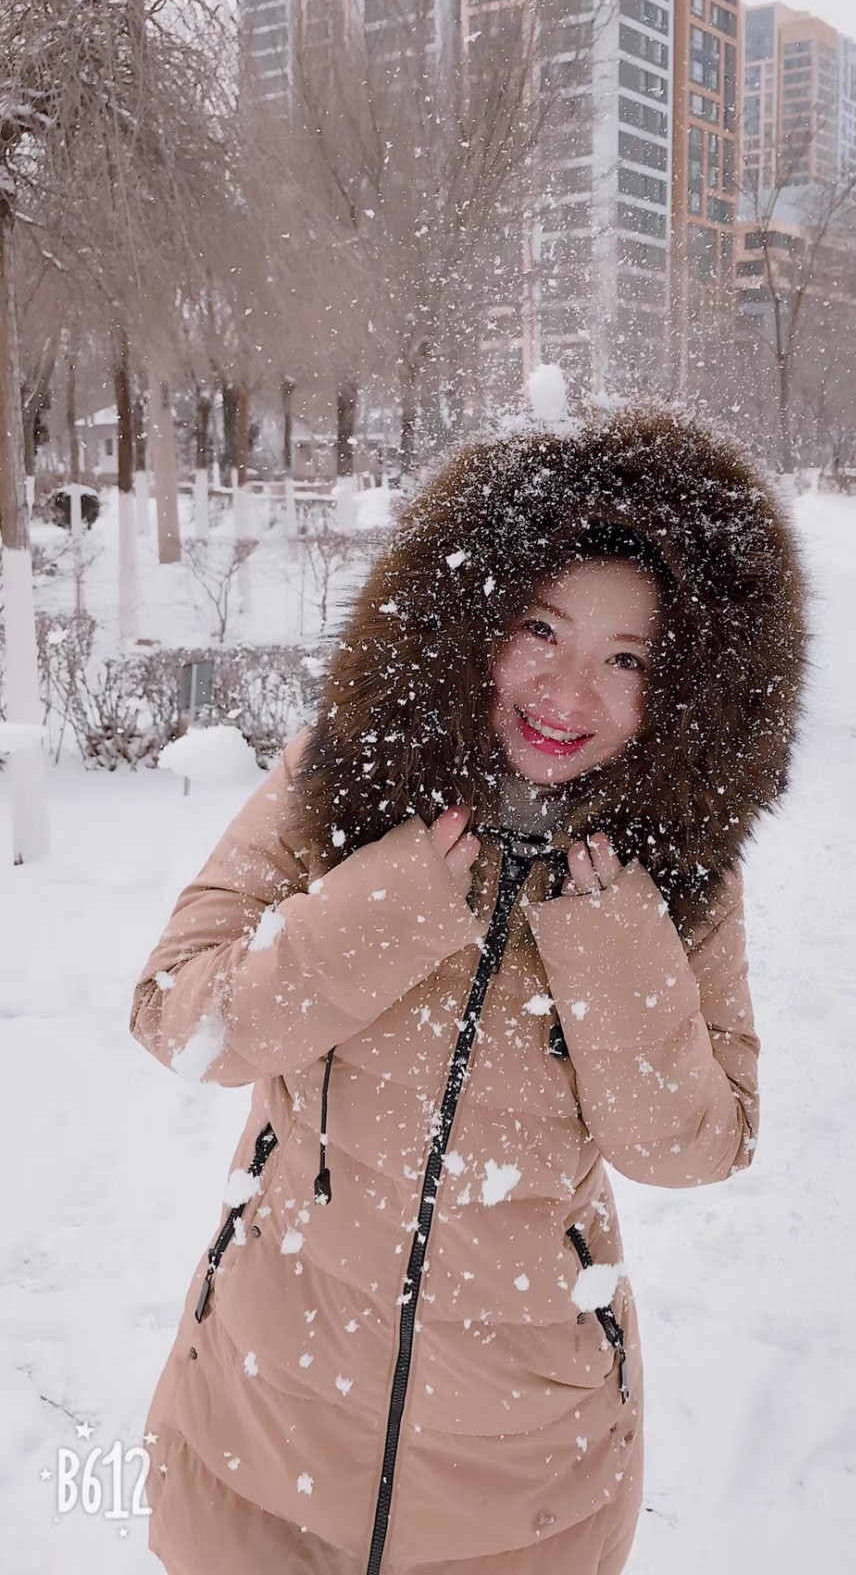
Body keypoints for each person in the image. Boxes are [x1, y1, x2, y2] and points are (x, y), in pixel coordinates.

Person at [129, 406, 808, 1575]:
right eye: (539, 628)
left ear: (685, 688)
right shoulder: (341, 774)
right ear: (470, 619)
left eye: (626, 657)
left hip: (524, 1478)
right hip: (263, 1426)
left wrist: (613, 946)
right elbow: (180, 1017)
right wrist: (380, 906)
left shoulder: (677, 866)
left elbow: (700, 1140)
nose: (566, 689)